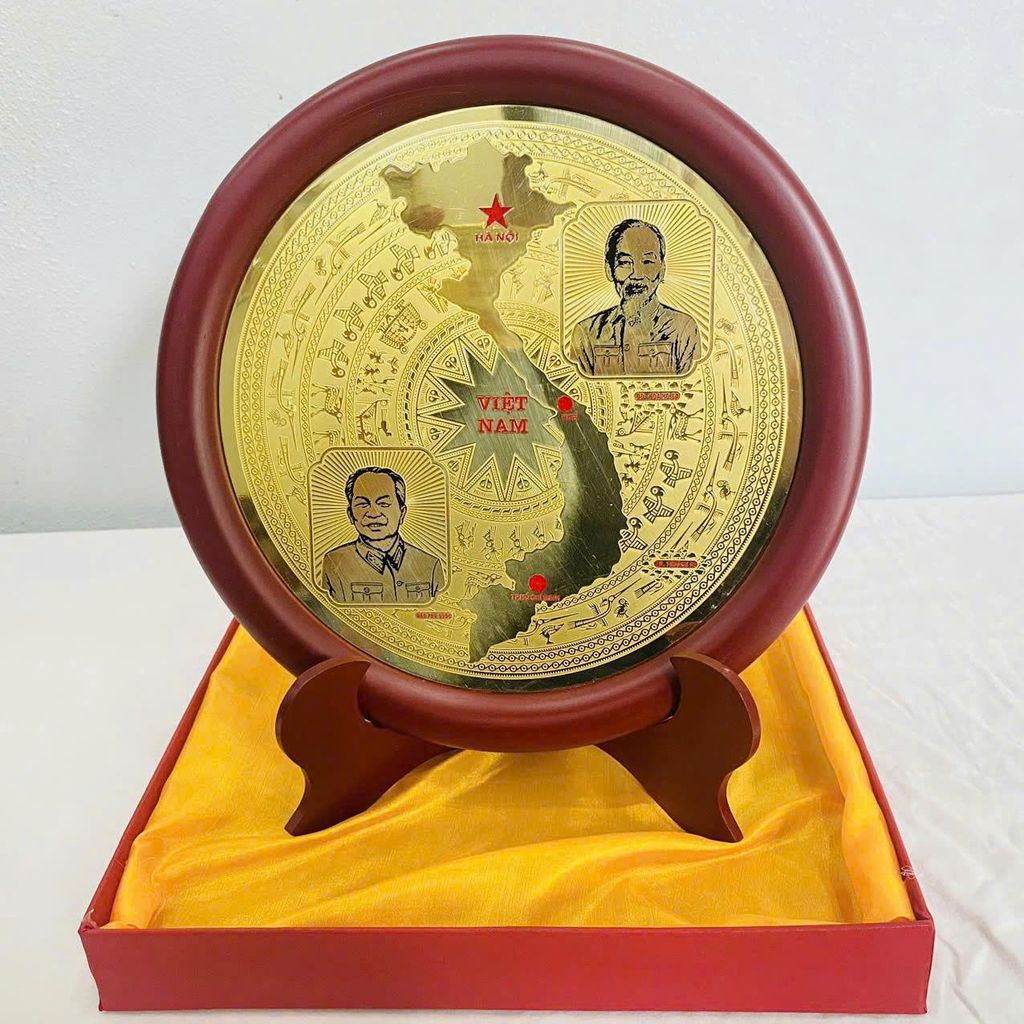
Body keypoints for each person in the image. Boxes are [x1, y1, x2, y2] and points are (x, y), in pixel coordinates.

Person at [572, 218, 701, 377]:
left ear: (662, 270)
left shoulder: (683, 328)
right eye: (625, 263)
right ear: (609, 269)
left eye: (647, 262)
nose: (637, 275)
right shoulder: (586, 333)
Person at [322, 466, 444, 603]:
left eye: (384, 503)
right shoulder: (334, 563)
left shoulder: (431, 565)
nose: (373, 514)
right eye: (363, 504)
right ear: (350, 514)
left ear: (402, 513)